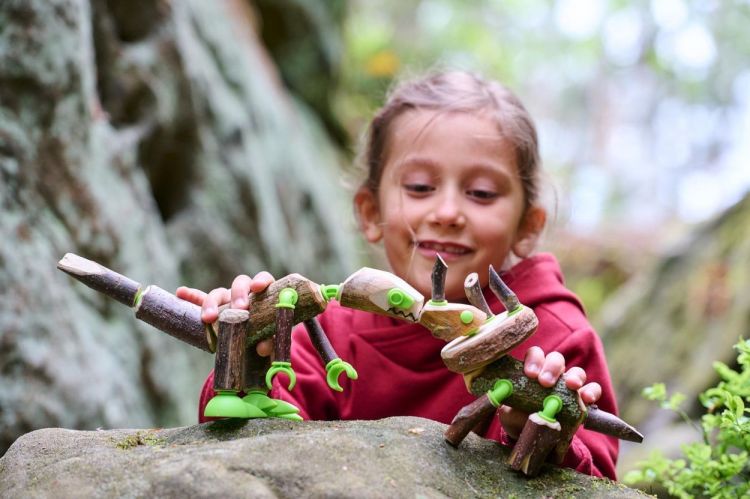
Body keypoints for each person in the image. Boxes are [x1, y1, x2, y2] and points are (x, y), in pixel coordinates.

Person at [176, 70, 619, 479]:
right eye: (420, 188)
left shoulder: (558, 338)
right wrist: (245, 359)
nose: (447, 212)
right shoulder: (320, 329)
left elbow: (597, 475)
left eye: (481, 193)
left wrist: (541, 433)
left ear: (527, 226)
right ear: (372, 213)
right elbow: (250, 453)